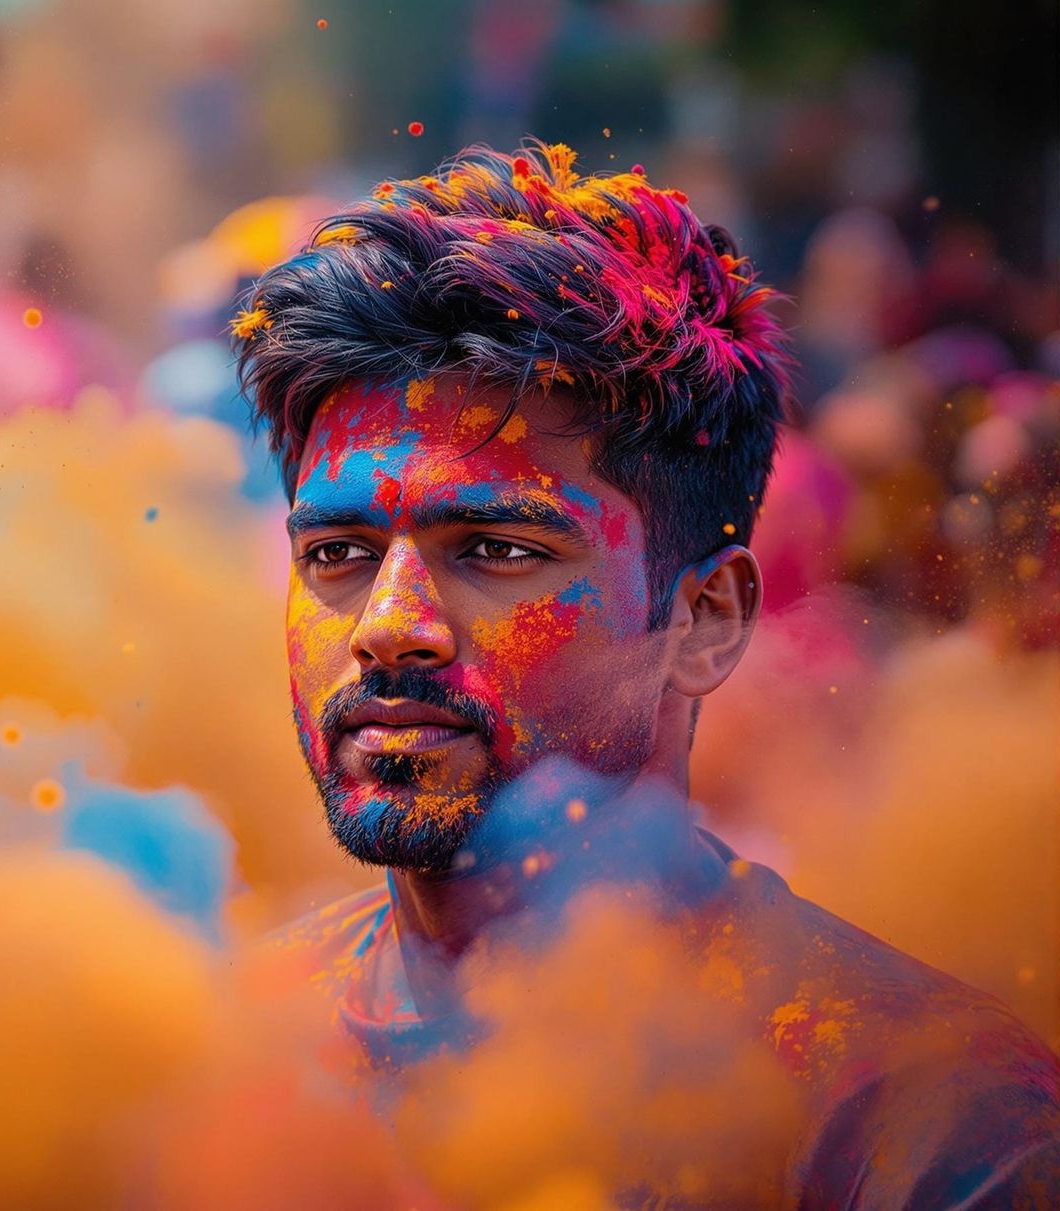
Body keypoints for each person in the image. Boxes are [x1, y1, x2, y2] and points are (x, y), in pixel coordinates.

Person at [233, 140, 1059, 1207]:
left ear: (705, 620)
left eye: (494, 548)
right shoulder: (241, 1026)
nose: (388, 628)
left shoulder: (918, 1111)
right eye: (335, 554)